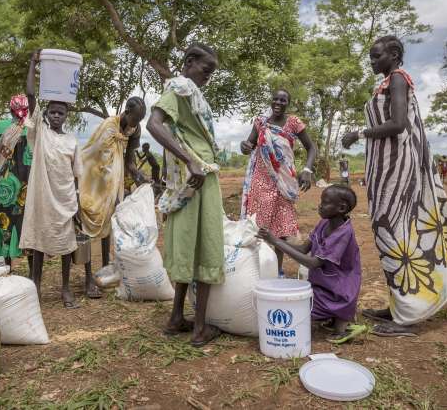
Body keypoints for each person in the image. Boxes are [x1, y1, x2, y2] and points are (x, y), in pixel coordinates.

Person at [342, 35, 447, 337]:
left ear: (393, 54)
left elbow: (399, 124)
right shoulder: (387, 82)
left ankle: (408, 315)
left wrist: (360, 134)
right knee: (388, 231)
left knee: (396, 231)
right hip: (385, 168)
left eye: (377, 55)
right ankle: (399, 305)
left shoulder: (399, 80)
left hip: (398, 170)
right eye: (371, 56)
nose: (372, 60)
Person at [147, 42, 224, 347]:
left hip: (194, 176)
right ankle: (200, 328)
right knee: (206, 245)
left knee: (188, 243)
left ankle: (177, 317)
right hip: (199, 174)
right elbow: (154, 124)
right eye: (206, 70)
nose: (208, 77)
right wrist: (191, 159)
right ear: (190, 62)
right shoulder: (180, 87)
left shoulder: (188, 91)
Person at [19, 51, 95, 306]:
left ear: (66, 116)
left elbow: (75, 174)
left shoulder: (72, 140)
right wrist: (33, 63)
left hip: (64, 199)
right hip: (43, 198)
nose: (55, 116)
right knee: (40, 242)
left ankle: (65, 288)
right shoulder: (39, 132)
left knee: (66, 244)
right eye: (51, 112)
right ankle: (36, 288)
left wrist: (75, 201)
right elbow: (31, 94)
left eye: (60, 113)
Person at [257, 185, 361, 340]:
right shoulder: (324, 223)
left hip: (338, 290)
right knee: (301, 306)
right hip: (324, 284)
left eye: (325, 202)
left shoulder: (342, 233)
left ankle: (341, 325)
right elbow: (303, 249)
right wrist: (275, 239)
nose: (320, 205)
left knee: (300, 310)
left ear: (341, 208)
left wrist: (276, 242)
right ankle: (335, 318)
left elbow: (313, 263)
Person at [239, 89, 317, 276]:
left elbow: (312, 147)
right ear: (271, 100)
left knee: (281, 226)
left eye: (283, 100)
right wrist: (244, 146)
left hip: (284, 180)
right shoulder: (260, 122)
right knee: (259, 224)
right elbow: (248, 146)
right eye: (275, 99)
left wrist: (307, 170)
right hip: (261, 179)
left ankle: (277, 269)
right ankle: (258, 269)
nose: (278, 103)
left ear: (287, 103)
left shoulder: (294, 122)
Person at [79, 96, 147, 270]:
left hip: (114, 176)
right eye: (135, 118)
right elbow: (99, 158)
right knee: (90, 214)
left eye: (139, 120)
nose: (136, 123)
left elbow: (130, 160)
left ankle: (105, 267)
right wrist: (112, 192)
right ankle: (88, 275)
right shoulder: (110, 126)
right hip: (94, 176)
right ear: (127, 111)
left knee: (108, 220)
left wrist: (138, 175)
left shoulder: (135, 129)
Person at [0, 94, 32, 266]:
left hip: (7, 180)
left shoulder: (1, 125)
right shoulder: (31, 126)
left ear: (10, 110)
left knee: (5, 217)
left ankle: (7, 268)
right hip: (27, 179)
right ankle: (31, 273)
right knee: (26, 219)